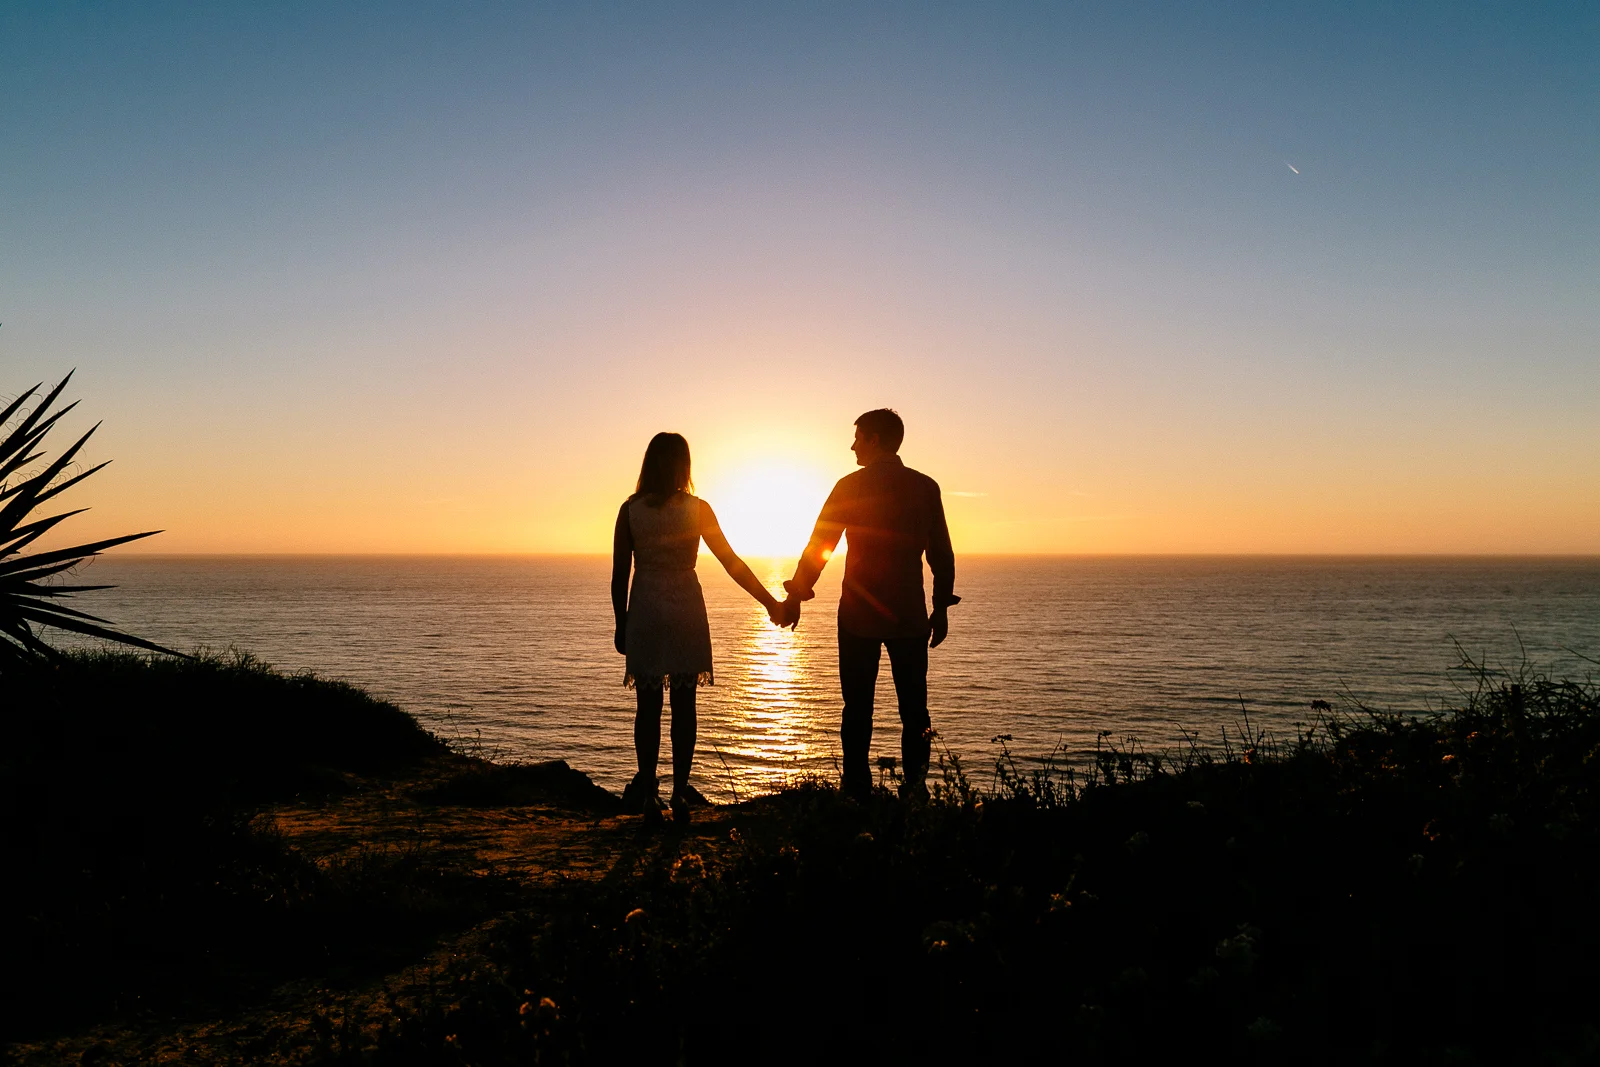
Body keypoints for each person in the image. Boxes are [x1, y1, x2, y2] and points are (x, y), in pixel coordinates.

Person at [780, 408, 958, 801]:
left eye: (858, 436)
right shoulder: (925, 487)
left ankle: (856, 788)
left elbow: (819, 547)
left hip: (859, 613)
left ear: (875, 439)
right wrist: (940, 607)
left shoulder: (849, 486)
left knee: (857, 707)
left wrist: (796, 596)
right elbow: (941, 554)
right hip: (909, 614)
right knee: (915, 707)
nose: (852, 444)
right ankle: (915, 789)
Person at [612, 431, 788, 824]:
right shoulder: (698, 508)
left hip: (645, 610)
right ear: (684, 465)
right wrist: (770, 602)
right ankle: (679, 794)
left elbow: (619, 574)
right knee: (684, 707)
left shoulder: (630, 510)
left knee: (648, 707)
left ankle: (648, 797)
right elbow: (731, 562)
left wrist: (620, 623)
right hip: (686, 611)